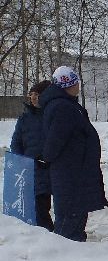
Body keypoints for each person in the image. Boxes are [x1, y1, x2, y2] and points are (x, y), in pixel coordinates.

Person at [39, 65, 108, 241]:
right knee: (70, 218)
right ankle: (65, 256)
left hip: (73, 170)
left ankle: (74, 252)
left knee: (75, 215)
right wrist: (48, 158)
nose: (78, 86)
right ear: (68, 84)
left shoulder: (64, 104)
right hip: (71, 172)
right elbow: (56, 140)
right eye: (76, 83)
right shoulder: (63, 107)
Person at [10, 80, 54, 230]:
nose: (34, 97)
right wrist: (20, 161)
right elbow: (16, 142)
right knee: (35, 205)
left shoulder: (52, 115)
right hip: (29, 169)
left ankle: (50, 234)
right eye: (32, 94)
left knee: (44, 205)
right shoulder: (24, 118)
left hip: (49, 168)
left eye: (38, 94)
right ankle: (44, 233)